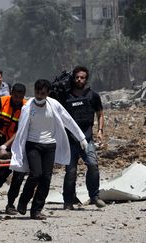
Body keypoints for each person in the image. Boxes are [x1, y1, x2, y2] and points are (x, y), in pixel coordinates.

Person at [10, 79, 87, 220]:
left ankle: (36, 210)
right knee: (35, 174)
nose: (39, 96)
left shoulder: (54, 105)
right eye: (37, 92)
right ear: (34, 91)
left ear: (48, 93)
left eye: (43, 93)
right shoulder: (27, 107)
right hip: (33, 144)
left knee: (46, 178)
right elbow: (21, 129)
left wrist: (81, 137)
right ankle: (23, 200)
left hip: (50, 145)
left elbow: (68, 120)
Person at [62, 66, 106, 209]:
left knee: (93, 165)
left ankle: (94, 196)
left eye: (82, 77)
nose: (79, 80)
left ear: (86, 79)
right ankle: (68, 201)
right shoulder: (65, 96)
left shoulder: (92, 95)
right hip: (70, 140)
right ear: (73, 78)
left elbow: (100, 113)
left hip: (87, 139)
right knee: (71, 171)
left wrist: (100, 131)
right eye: (77, 77)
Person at [0, 83, 27, 215]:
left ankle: (10, 204)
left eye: (20, 97)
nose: (17, 99)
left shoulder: (26, 107)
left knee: (18, 176)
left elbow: (21, 131)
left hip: (17, 144)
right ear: (11, 92)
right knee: (2, 173)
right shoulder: (1, 102)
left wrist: (6, 147)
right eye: (15, 96)